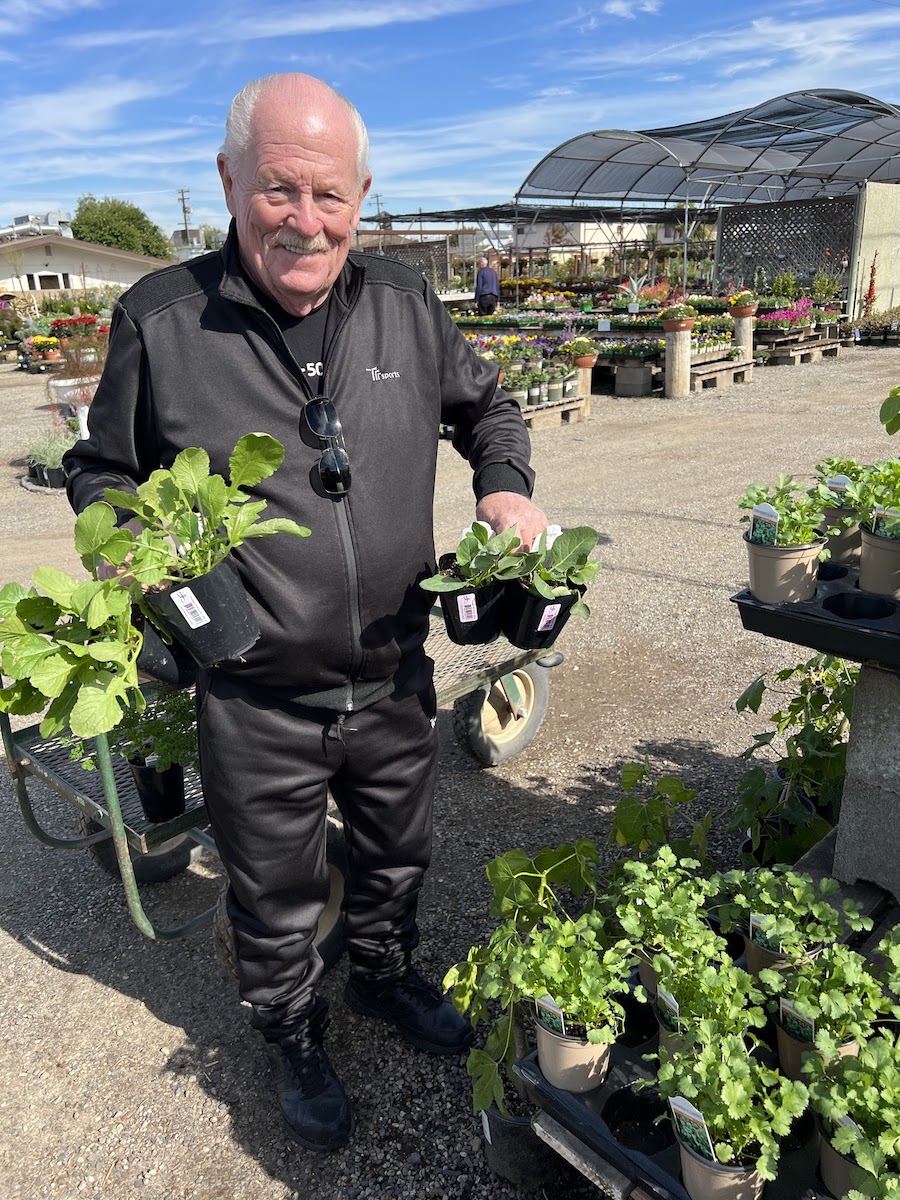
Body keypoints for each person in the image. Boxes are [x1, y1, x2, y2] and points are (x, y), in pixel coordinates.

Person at [63, 73, 547, 1153]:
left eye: (330, 194)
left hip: (393, 673)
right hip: (256, 691)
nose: (306, 219)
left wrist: (502, 484)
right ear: (230, 182)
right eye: (278, 189)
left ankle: (381, 975)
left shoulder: (408, 306)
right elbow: (101, 475)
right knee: (274, 886)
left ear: (363, 194)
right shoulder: (163, 319)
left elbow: (490, 408)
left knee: (395, 850)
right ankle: (289, 1030)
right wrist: (135, 548)